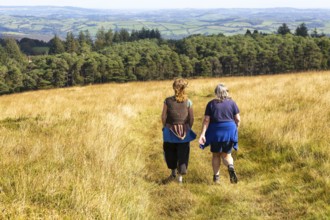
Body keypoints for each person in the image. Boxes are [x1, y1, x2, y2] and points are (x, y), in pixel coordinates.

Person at [199, 83, 240, 184]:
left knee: (216, 155)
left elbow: (206, 120)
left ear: (216, 92)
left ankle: (216, 177)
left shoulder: (211, 104)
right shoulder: (232, 103)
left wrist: (203, 133)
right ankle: (230, 166)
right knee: (227, 154)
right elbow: (238, 119)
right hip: (229, 130)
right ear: (226, 91)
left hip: (216, 131)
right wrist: (235, 129)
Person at [161, 78, 196, 183]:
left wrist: (165, 127)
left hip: (170, 130)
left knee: (170, 152)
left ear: (174, 88)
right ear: (184, 88)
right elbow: (191, 118)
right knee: (183, 153)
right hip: (184, 131)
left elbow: (163, 116)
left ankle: (173, 173)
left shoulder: (167, 101)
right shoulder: (188, 102)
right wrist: (188, 128)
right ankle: (180, 177)